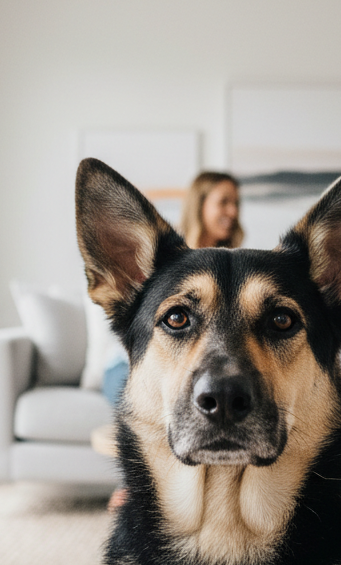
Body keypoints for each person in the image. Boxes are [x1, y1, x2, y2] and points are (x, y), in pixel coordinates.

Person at [101, 171, 244, 405]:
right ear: (200, 204)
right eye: (224, 202)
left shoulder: (240, 265)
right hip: (125, 363)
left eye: (236, 203)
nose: (233, 212)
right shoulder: (158, 260)